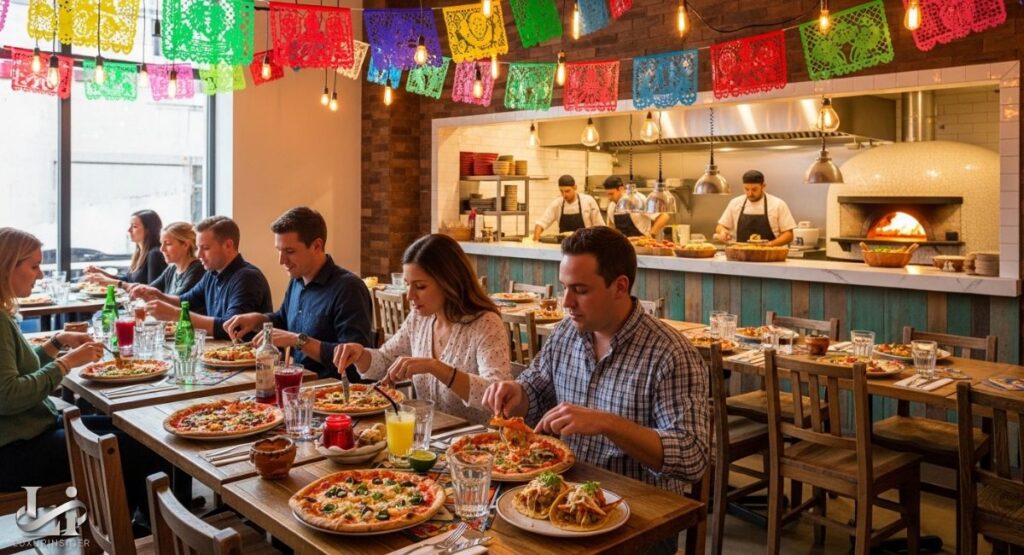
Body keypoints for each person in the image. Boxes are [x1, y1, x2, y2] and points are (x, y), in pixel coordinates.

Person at [482, 227, 708, 552]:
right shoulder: (567, 333)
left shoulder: (671, 354)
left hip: (639, 519)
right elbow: (534, 391)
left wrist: (607, 423)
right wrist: (515, 393)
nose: (566, 302)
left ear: (619, 287)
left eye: (580, 290)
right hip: (560, 500)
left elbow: (693, 457)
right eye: (564, 288)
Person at [0, 227, 168, 533]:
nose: (39, 275)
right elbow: (9, 395)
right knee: (138, 444)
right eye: (34, 266)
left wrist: (55, 343)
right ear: (7, 265)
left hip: (23, 435)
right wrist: (66, 363)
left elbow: (18, 369)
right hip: (13, 452)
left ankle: (131, 525)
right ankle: (131, 532)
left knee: (140, 433)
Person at [333, 234, 511, 425]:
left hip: (475, 447)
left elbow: (495, 393)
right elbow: (384, 361)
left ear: (449, 282)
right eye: (407, 285)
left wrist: (435, 367)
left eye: (420, 286)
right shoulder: (419, 319)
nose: (410, 296)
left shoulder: (486, 324)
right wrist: (360, 354)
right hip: (428, 438)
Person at [223, 207, 374, 380]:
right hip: (297, 383)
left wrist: (298, 341)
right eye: (278, 250)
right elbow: (284, 320)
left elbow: (354, 358)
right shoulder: (297, 280)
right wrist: (257, 320)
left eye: (289, 251)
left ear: (317, 246)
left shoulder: (349, 287)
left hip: (332, 392)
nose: (281, 260)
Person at [132, 216, 272, 340]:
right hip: (219, 354)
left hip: (247, 361)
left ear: (228, 246)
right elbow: (187, 301)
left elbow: (230, 327)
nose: (198, 255)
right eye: (198, 248)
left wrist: (176, 315)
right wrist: (158, 296)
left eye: (205, 248)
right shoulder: (212, 273)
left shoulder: (248, 278)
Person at [83, 209, 168, 289]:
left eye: (134, 226)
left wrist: (112, 282)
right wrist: (100, 272)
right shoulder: (139, 252)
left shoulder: (154, 254)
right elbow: (127, 279)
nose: (129, 230)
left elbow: (152, 290)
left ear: (148, 230)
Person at [713, 170, 796, 246]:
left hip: (769, 254)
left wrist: (770, 245)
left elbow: (788, 235)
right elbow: (720, 226)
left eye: (754, 189)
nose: (750, 193)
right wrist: (722, 232)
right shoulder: (735, 203)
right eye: (746, 189)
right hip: (741, 254)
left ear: (763, 186)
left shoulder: (777, 204)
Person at [128, 221, 205, 297]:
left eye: (168, 244)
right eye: (161, 243)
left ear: (185, 245)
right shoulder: (172, 268)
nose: (162, 249)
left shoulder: (197, 269)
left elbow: (178, 300)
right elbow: (151, 288)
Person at [531, 175, 604, 241]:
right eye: (561, 191)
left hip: (585, 245)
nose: (564, 195)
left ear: (575, 187)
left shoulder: (588, 201)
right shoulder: (557, 204)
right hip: (564, 246)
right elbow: (541, 223)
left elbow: (600, 227)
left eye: (567, 191)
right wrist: (536, 242)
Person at [602, 176, 670, 238]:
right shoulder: (612, 206)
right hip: (623, 246)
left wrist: (651, 234)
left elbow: (664, 216)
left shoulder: (638, 200)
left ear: (621, 189)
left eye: (611, 194)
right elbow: (612, 227)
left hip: (642, 245)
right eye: (607, 194)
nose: (609, 198)